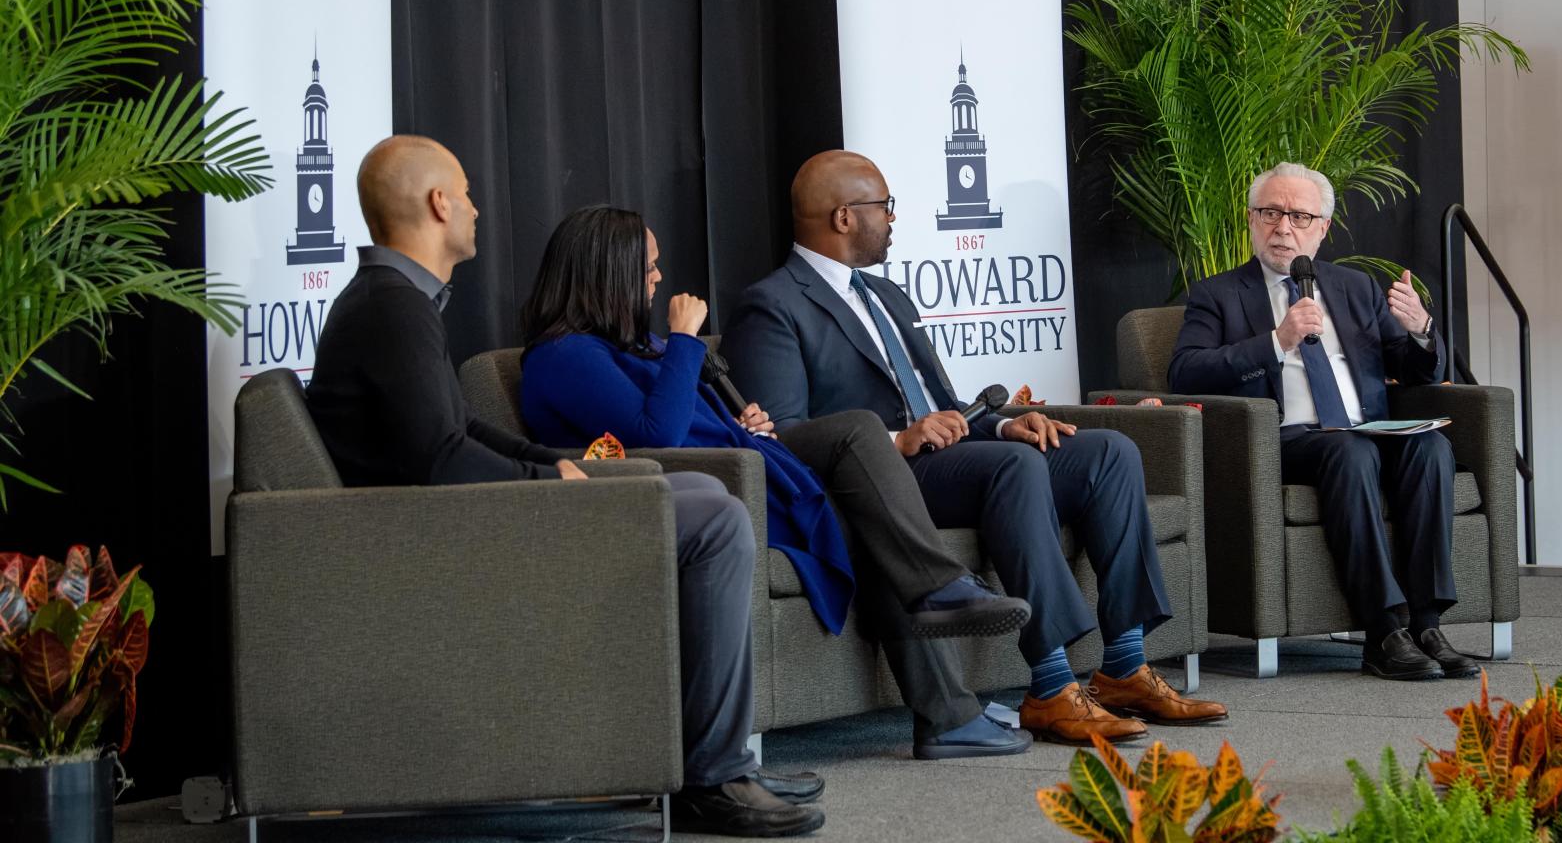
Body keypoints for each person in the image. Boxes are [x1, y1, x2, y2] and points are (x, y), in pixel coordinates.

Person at [305, 136, 825, 836]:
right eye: (466, 192)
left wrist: (550, 464)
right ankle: (715, 774)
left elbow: (456, 431)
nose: (478, 209)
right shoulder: (391, 308)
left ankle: (710, 760)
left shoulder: (394, 300)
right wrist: (547, 479)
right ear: (438, 204)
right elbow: (441, 459)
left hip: (449, 516)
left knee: (707, 500)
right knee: (718, 520)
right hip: (428, 537)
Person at [723, 150, 1228, 747]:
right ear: (842, 218)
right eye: (884, 207)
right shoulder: (773, 304)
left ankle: (1122, 665)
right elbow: (781, 436)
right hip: (883, 482)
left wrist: (1001, 425)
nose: (892, 219)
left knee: (1107, 453)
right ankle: (1052, 683)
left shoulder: (888, 295)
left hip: (954, 460)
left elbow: (942, 403)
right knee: (1013, 469)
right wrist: (898, 439)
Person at [514, 205, 1034, 760]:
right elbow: (655, 432)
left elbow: (687, 416)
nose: (659, 279)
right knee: (862, 469)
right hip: (715, 490)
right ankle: (943, 640)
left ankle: (948, 688)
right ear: (608, 272)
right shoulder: (564, 357)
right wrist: (687, 339)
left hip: (742, 457)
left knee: (861, 461)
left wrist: (741, 422)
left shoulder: (632, 347)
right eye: (648, 269)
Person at [1167, 161, 1473, 682]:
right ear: (1251, 219)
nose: (1283, 227)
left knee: (1432, 448)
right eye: (1271, 213)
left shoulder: (1354, 288)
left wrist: (1422, 328)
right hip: (1283, 439)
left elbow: (1414, 367)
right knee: (1347, 452)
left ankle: (1425, 625)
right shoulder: (1217, 294)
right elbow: (1184, 371)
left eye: (1299, 216)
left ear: (1322, 228)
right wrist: (1275, 341)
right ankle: (1383, 631)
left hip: (1366, 429)